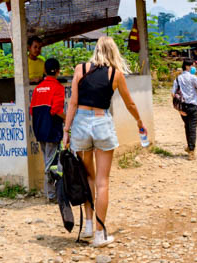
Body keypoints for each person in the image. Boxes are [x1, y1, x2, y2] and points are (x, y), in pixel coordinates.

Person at [60, 35, 145, 248]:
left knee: (87, 176)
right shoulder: (115, 74)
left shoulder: (81, 69)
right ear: (113, 52)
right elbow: (130, 103)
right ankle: (99, 234)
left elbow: (72, 103)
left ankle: (88, 225)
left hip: (80, 123)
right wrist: (139, 122)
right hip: (102, 123)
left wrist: (66, 131)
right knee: (102, 181)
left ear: (96, 50)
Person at [30, 58, 66, 201]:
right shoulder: (58, 88)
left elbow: (32, 111)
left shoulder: (38, 89)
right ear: (58, 71)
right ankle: (51, 195)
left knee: (48, 160)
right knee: (51, 164)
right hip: (52, 130)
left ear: (44, 71)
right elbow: (56, 110)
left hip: (40, 130)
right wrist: (68, 119)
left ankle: (52, 193)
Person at [172, 59, 197, 159]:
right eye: (193, 66)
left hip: (182, 107)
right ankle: (192, 151)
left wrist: (178, 109)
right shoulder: (193, 78)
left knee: (187, 127)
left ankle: (189, 147)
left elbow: (173, 93)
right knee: (192, 128)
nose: (194, 68)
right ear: (188, 66)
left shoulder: (177, 78)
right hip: (192, 106)